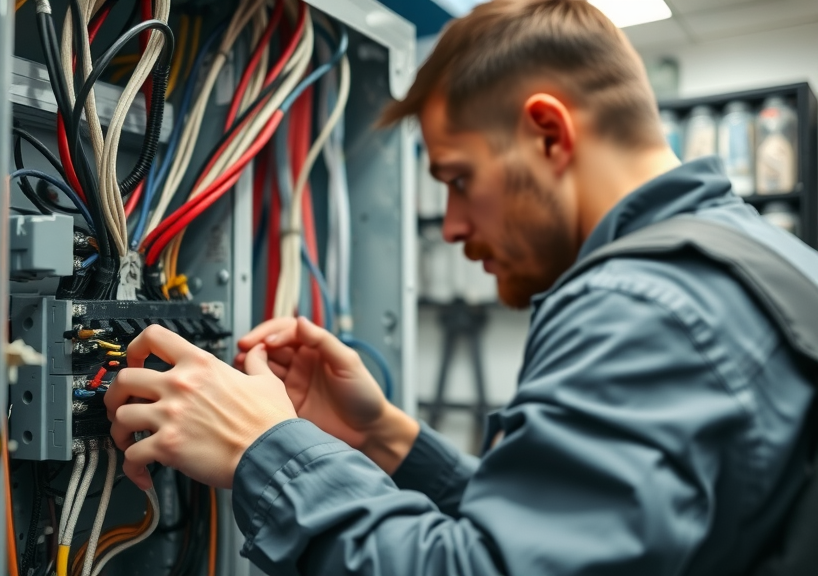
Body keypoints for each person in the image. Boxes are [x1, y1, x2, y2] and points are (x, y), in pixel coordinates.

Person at [104, 0, 817, 573]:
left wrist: (266, 450)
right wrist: (384, 437)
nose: (448, 225)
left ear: (547, 133)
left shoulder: (643, 307)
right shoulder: (755, 261)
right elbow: (580, 538)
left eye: (457, 179)